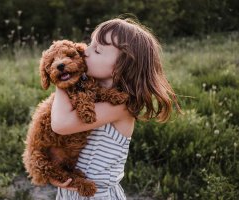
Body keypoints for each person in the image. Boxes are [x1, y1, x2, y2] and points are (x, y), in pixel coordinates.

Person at [50, 17, 182, 200]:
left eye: (96, 50)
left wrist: (61, 78)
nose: (85, 52)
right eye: (90, 44)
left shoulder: (120, 106)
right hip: (72, 191)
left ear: (121, 67)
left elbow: (60, 124)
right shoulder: (91, 93)